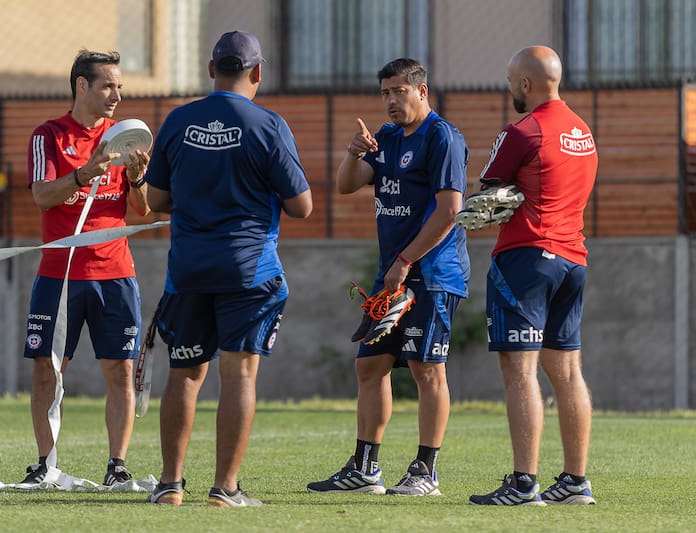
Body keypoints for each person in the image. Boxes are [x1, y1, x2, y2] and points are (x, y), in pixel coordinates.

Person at [143, 30, 312, 507]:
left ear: (210, 69)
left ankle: (170, 485)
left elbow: (155, 201)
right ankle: (225, 489)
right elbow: (301, 206)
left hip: (189, 271)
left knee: (184, 374)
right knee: (239, 376)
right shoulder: (268, 125)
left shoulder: (177, 122)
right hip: (248, 271)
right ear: (257, 73)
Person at [306, 58, 470, 496]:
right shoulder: (386, 138)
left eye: (399, 91)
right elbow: (346, 184)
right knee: (369, 367)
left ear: (422, 91)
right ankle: (364, 470)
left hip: (432, 273)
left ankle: (425, 472)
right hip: (392, 274)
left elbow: (450, 210)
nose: (391, 100)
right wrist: (352, 153)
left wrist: (406, 261)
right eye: (385, 93)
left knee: (426, 369)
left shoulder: (443, 137)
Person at [468, 46, 598, 506]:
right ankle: (575, 483)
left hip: (527, 259)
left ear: (526, 84)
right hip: (573, 258)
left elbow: (490, 194)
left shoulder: (523, 130)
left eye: (511, 83)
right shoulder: (584, 131)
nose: (509, 91)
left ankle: (524, 484)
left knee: (519, 371)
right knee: (567, 371)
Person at [22, 49, 151, 486]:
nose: (116, 95)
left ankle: (117, 466)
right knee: (47, 367)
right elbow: (41, 197)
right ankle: (45, 464)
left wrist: (136, 179)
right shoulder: (48, 137)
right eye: (108, 86)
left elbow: (143, 210)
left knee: (120, 370)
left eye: (119, 88)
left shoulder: (124, 136)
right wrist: (84, 173)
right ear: (82, 85)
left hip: (115, 273)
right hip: (59, 275)